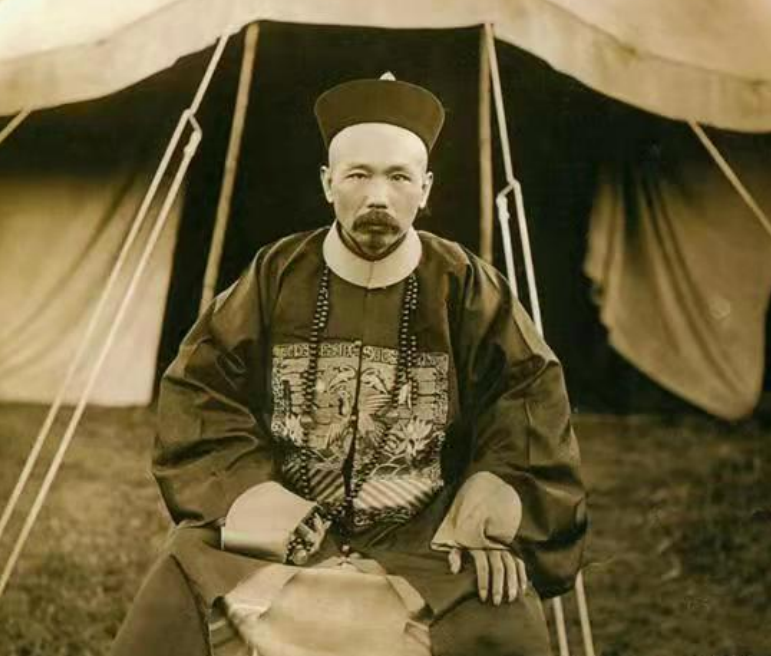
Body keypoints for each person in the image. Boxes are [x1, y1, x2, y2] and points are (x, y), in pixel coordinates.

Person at [111, 73, 588, 656]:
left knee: (502, 606)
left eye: (399, 177)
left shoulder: (466, 285)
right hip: (288, 522)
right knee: (182, 574)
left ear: (426, 188)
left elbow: (529, 397)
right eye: (358, 175)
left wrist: (490, 494)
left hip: (425, 535)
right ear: (327, 183)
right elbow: (201, 391)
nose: (378, 198)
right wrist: (257, 496)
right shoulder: (275, 274)